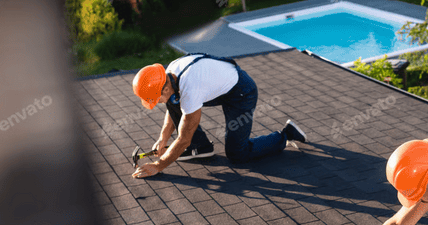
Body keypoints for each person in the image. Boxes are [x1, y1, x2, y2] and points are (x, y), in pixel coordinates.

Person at [130, 53, 307, 178]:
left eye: (155, 98)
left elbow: (184, 138)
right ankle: (201, 148)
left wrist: (158, 165)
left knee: (237, 154)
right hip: (218, 86)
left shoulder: (191, 88)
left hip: (242, 92)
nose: (156, 102)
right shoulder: (169, 75)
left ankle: (286, 134)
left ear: (166, 87)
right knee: (172, 101)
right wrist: (163, 139)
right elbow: (172, 104)